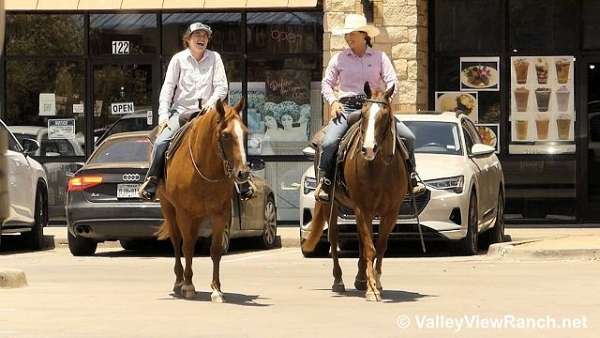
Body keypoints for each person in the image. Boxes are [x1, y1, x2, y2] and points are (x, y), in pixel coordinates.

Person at [314, 14, 425, 202]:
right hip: (347, 109)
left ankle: (412, 178)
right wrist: (333, 101)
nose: (349, 38)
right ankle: (325, 182)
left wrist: (385, 99)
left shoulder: (380, 57)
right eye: (347, 35)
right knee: (329, 142)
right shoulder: (338, 59)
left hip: (375, 107)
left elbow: (393, 82)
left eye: (352, 34)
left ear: (364, 35)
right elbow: (326, 84)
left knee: (408, 137)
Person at [139, 22, 253, 201]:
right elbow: (167, 90)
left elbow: (222, 87)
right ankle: (152, 181)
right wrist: (163, 117)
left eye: (205, 36)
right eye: (197, 35)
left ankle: (243, 179)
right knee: (161, 141)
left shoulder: (215, 58)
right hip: (183, 113)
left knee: (234, 135)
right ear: (188, 39)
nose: (202, 39)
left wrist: (211, 103)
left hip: (209, 114)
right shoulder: (178, 59)